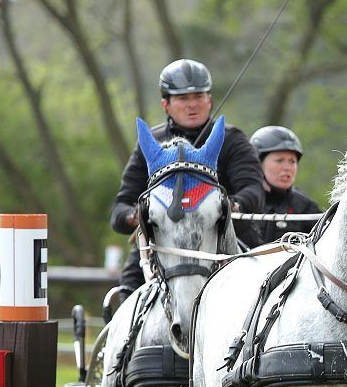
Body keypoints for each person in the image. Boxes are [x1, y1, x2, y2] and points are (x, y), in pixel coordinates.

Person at [110, 59, 265, 292]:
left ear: (209, 100)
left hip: (224, 240)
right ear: (166, 104)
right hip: (163, 246)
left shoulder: (232, 139)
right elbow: (120, 209)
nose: (192, 105)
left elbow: (254, 191)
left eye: (198, 97)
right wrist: (138, 215)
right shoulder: (151, 143)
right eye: (183, 99)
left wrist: (229, 206)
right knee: (127, 292)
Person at [248, 125, 322, 244]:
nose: (287, 168)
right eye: (279, 160)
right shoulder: (242, 204)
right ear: (258, 163)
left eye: (292, 161)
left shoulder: (306, 208)